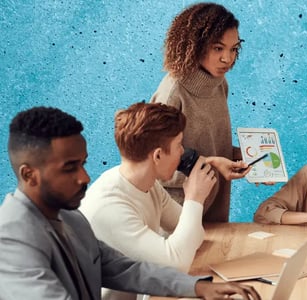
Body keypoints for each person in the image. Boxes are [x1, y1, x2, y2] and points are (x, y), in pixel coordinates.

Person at [0, 106, 260, 300]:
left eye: (83, 164)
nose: (85, 177)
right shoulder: (11, 241)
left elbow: (124, 269)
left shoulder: (69, 217)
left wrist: (198, 287)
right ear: (28, 175)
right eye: (70, 168)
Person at [79, 103, 248, 299]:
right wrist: (194, 198)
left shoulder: (148, 184)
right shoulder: (109, 208)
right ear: (158, 155)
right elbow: (176, 265)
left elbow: (197, 235)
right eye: (178, 145)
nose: (182, 151)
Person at [150, 3, 245, 222]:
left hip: (214, 208)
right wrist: (212, 164)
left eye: (234, 49)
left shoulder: (219, 84)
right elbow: (153, 159)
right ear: (194, 45)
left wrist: (242, 155)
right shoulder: (173, 93)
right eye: (218, 48)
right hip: (177, 215)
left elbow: (207, 141)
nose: (227, 59)